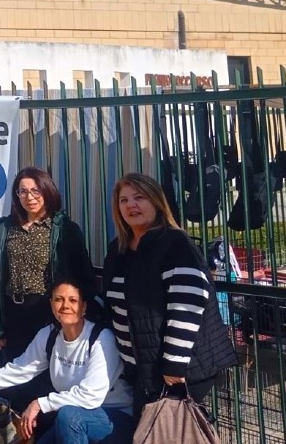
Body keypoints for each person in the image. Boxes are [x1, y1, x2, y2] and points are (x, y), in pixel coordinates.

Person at [103, 172, 236, 417]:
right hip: (144, 369)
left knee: (173, 433)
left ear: (155, 202)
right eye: (123, 200)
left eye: (139, 197)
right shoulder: (119, 249)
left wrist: (174, 365)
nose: (131, 205)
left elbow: (187, 305)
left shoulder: (175, 243)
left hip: (179, 369)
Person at [0, 278, 135, 444]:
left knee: (68, 416)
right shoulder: (49, 335)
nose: (65, 306)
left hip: (114, 418)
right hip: (72, 419)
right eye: (59, 299)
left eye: (73, 300)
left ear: (83, 307)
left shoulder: (101, 338)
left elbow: (91, 396)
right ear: (51, 304)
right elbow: (18, 370)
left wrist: (40, 404)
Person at [0, 167, 96, 361]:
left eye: (35, 190)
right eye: (23, 191)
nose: (29, 197)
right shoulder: (6, 228)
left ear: (47, 191)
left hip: (48, 311)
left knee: (48, 369)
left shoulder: (64, 228)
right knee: (17, 370)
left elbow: (83, 275)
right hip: (14, 313)